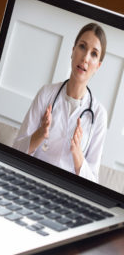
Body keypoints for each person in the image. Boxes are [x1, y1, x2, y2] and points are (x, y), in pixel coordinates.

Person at [13, 23, 108, 182]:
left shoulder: (99, 115)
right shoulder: (46, 94)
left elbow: (93, 182)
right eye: (82, 47)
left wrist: (78, 155)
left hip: (67, 193)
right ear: (72, 51)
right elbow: (15, 151)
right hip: (32, 180)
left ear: (98, 66)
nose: (85, 58)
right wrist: (40, 134)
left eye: (94, 54)